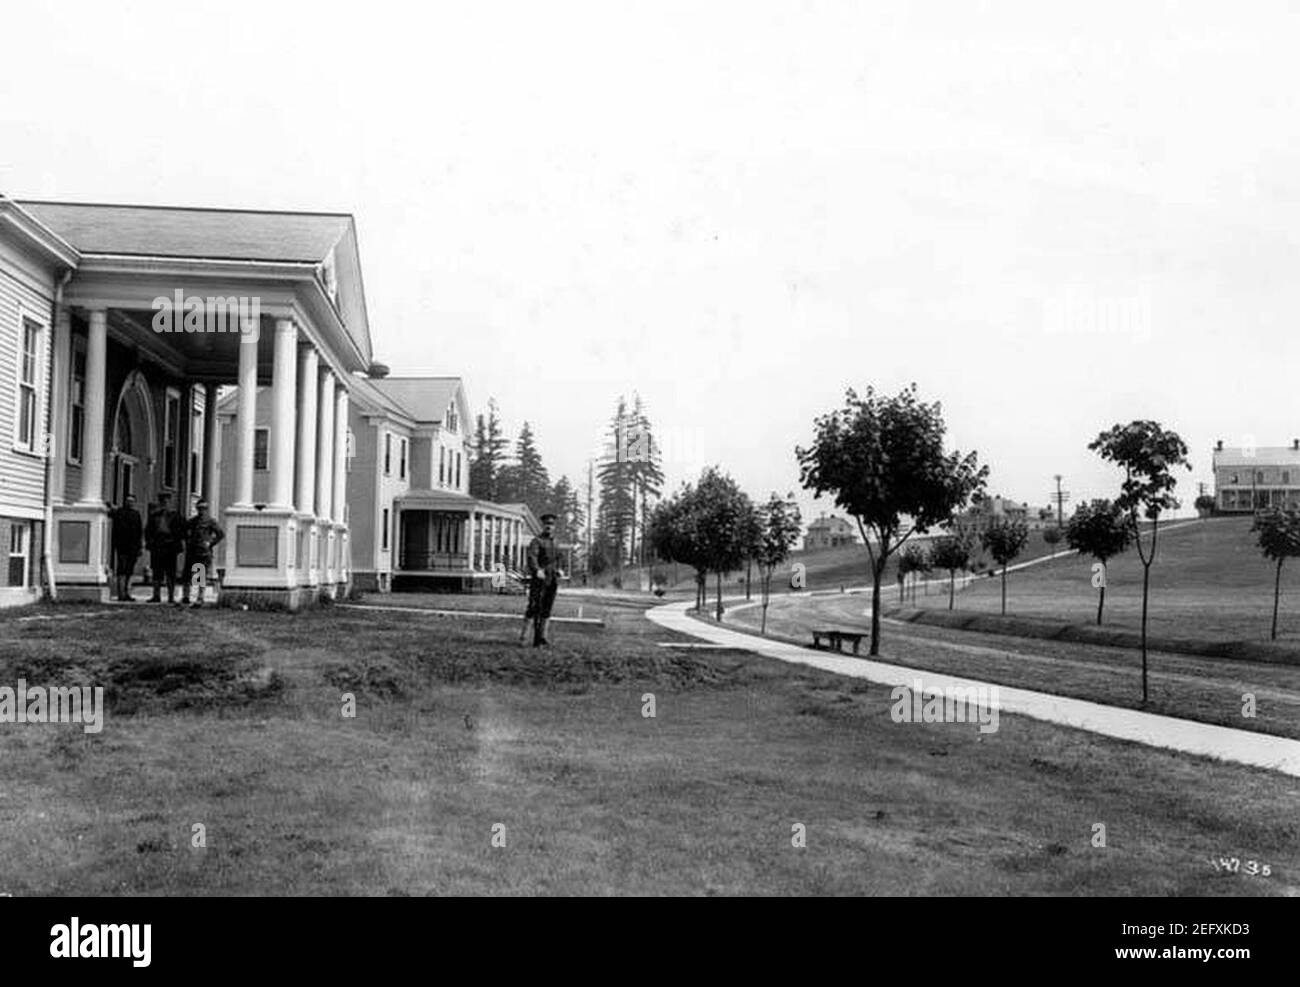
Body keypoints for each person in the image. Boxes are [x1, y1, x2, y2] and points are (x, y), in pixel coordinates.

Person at [522, 513, 560, 647]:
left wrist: (558, 570)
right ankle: (525, 638)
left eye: (551, 524)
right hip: (539, 579)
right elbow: (532, 557)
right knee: (534, 607)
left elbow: (557, 560)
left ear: (554, 526)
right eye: (546, 524)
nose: (548, 526)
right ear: (542, 526)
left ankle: (543, 637)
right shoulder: (536, 541)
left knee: (547, 608)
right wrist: (537, 570)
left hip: (551, 579)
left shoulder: (555, 542)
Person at [181, 499, 225, 608]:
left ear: (207, 509)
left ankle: (199, 598)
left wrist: (210, 543)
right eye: (199, 508)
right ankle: (186, 597)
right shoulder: (192, 521)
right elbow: (184, 532)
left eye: (204, 509)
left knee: (200, 576)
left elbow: (220, 534)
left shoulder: (210, 521)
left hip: (203, 553)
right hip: (192, 551)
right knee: (187, 575)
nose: (202, 511)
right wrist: (188, 541)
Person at [145, 492, 183, 604]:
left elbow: (181, 530)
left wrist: (176, 541)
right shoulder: (154, 516)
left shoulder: (175, 516)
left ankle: (171, 596)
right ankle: (156, 595)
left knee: (171, 573)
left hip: (170, 547)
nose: (164, 504)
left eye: (166, 501)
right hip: (158, 546)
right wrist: (150, 542)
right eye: (162, 502)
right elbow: (148, 531)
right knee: (157, 572)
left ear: (170, 502)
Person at [109, 494, 144, 602]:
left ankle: (127, 592)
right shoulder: (119, 512)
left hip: (133, 547)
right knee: (122, 570)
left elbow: (139, 531)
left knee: (129, 571)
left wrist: (140, 546)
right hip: (122, 546)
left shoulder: (136, 514)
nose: (130, 503)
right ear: (125, 501)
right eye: (128, 501)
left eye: (132, 501)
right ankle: (121, 594)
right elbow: (110, 512)